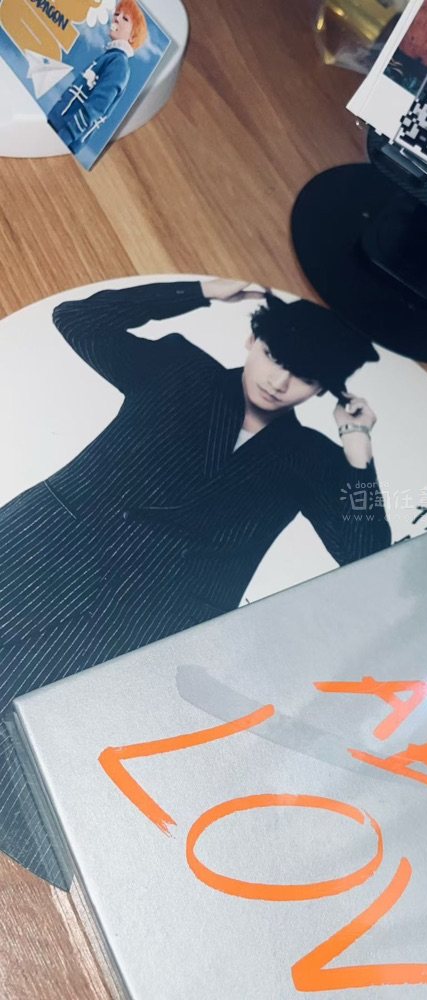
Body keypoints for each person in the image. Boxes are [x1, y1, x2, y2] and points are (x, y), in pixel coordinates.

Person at [0, 278, 390, 876]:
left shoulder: (313, 459)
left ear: (322, 389)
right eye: (274, 356)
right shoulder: (179, 369)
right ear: (253, 340)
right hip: (47, 550)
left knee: (38, 746)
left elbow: (366, 552)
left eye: (303, 377)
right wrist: (200, 291)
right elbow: (78, 319)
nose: (279, 381)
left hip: (149, 614)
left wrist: (358, 450)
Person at [47, 0, 148, 152]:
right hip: (55, 124)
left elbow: (95, 108)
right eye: (116, 14)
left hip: (63, 136)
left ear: (132, 37)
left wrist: (65, 137)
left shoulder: (119, 65)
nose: (117, 18)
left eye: (125, 18)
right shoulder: (109, 56)